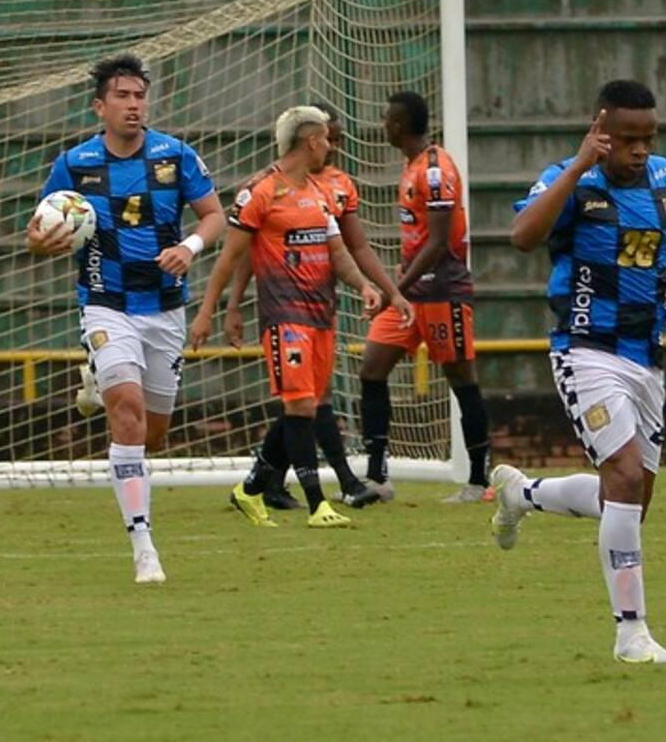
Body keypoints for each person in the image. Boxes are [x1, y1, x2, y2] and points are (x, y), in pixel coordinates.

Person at [493, 80, 666, 664]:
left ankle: (522, 493)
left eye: (648, 138)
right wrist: (577, 164)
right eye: (627, 139)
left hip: (646, 356)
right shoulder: (573, 180)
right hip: (584, 350)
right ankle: (630, 633)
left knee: (630, 500)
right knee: (626, 477)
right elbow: (522, 236)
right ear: (600, 132)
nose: (639, 150)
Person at [28, 53, 225, 585]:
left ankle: (98, 380)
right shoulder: (74, 164)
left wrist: (188, 247)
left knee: (153, 434)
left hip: (164, 308)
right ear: (100, 106)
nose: (133, 104)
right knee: (129, 415)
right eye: (122, 96)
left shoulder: (176, 155)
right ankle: (143, 544)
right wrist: (46, 240)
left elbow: (215, 216)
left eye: (139, 95)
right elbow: (38, 230)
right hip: (105, 304)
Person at [189, 106, 411, 528]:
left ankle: (251, 488)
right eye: (326, 138)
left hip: (321, 316)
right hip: (283, 315)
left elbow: (339, 252)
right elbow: (231, 258)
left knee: (304, 408)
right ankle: (317, 504)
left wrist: (365, 286)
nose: (330, 146)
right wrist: (214, 311)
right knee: (301, 404)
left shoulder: (321, 193)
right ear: (311, 141)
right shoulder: (259, 193)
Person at [357, 91, 494, 504]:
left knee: (461, 379)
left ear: (398, 125)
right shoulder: (412, 165)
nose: (382, 126)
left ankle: (479, 480)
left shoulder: (435, 170)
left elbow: (437, 242)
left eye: (386, 119)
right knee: (371, 368)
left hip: (441, 289)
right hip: (410, 292)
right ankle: (378, 476)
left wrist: (395, 290)